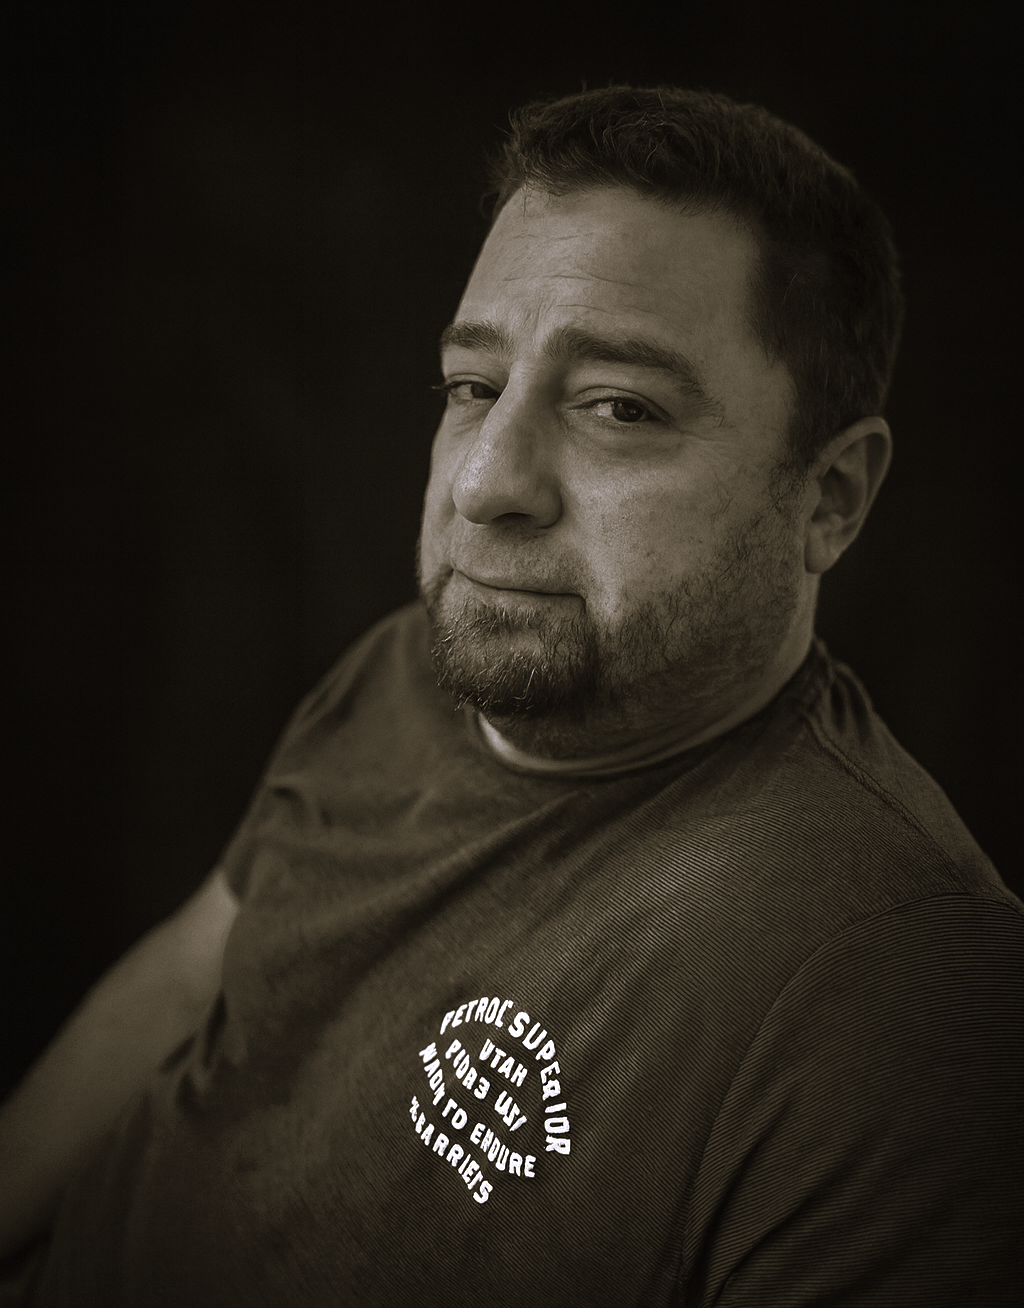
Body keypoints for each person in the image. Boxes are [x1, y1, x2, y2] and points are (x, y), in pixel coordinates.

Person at [1, 85, 1021, 1307]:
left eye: (621, 408)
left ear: (831, 499)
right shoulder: (404, 669)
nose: (486, 484)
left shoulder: (904, 990)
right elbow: (190, 979)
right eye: (473, 387)